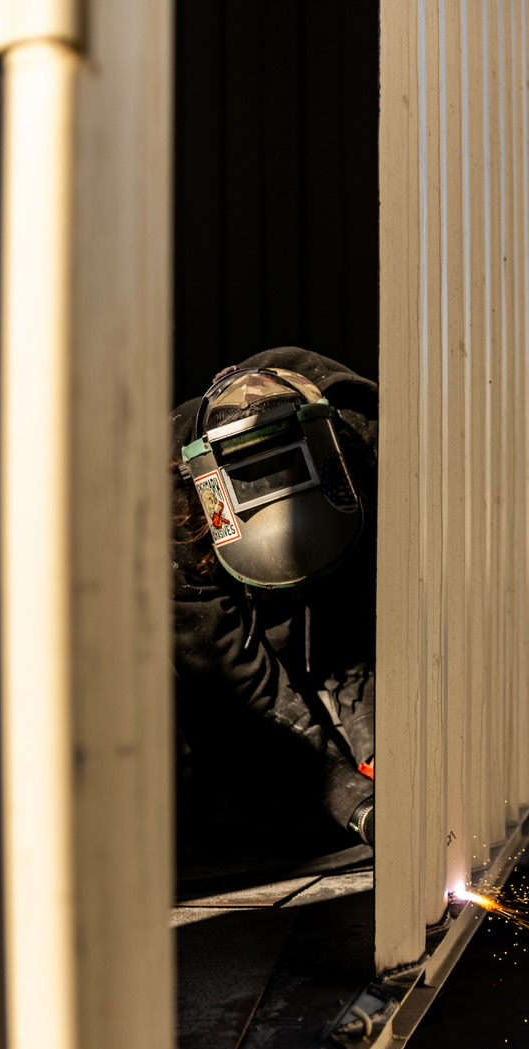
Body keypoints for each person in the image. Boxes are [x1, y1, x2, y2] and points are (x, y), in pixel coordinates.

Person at [171, 347, 378, 876]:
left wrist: (380, 746)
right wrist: (351, 799)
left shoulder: (364, 443)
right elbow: (242, 689)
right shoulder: (166, 514)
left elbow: (363, 627)